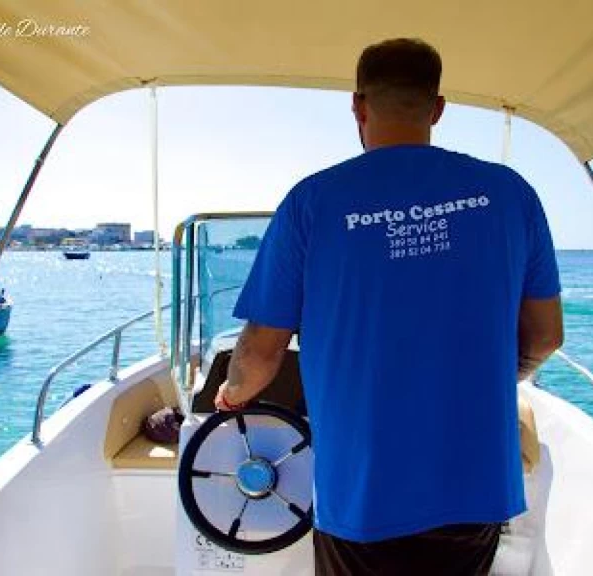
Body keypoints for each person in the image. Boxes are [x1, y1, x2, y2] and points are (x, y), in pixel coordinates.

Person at [214, 38, 563, 575]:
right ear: (438, 107)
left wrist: (232, 395)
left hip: (362, 495)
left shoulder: (312, 201)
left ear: (358, 105)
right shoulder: (511, 194)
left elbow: (262, 351)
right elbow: (545, 338)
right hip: (474, 486)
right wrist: (497, 378)